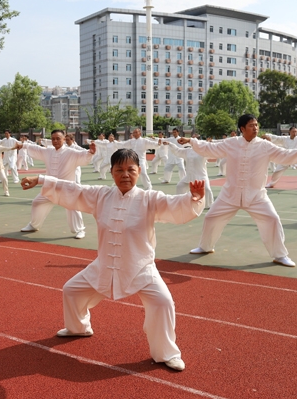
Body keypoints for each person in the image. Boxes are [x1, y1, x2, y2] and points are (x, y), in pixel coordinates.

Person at [19, 149, 205, 371]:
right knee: (72, 290)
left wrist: (193, 198)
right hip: (104, 265)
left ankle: (166, 353)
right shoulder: (100, 196)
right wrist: (40, 179)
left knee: (163, 302)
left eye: (130, 170)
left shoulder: (149, 198)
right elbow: (73, 190)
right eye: (119, 170)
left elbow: (175, 205)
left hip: (140, 267)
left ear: (139, 171)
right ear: (112, 172)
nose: (125, 174)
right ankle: (79, 327)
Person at [179, 114, 297, 267]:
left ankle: (280, 255)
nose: (255, 128)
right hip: (230, 194)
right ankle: (205, 247)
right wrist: (191, 141)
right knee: (211, 218)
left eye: (256, 125)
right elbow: (210, 148)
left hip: (256, 195)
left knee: (272, 219)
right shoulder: (232, 143)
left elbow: (286, 156)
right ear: (242, 129)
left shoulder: (265, 145)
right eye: (251, 125)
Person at [19, 129, 95, 239]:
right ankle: (34, 225)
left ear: (64, 139)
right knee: (37, 203)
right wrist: (23, 145)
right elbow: (37, 149)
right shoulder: (48, 151)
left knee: (73, 208)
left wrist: (90, 152)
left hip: (66, 188)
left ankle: (80, 230)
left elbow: (83, 155)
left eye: (58, 138)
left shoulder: (71, 152)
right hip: (50, 187)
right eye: (53, 139)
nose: (55, 141)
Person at [163, 141, 214, 207]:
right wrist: (170, 143)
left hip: (201, 175)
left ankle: (210, 204)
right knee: (180, 186)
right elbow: (177, 150)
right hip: (189, 176)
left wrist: (210, 145)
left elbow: (213, 153)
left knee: (207, 189)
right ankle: (180, 202)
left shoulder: (203, 152)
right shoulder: (187, 151)